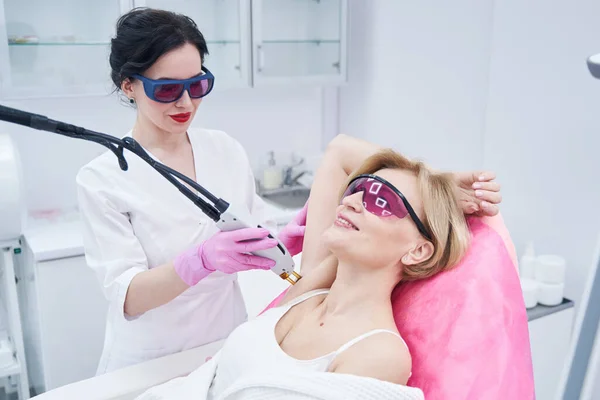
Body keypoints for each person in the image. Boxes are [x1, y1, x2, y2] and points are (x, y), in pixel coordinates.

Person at [135, 133, 502, 399]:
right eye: (357, 187)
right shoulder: (309, 291)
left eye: (382, 200)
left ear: (417, 251)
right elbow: (340, 150)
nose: (355, 200)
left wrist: (433, 188)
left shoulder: (376, 354)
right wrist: (441, 181)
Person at [75, 7, 307, 375]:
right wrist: (199, 261)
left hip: (225, 344)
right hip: (151, 360)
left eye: (197, 85)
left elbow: (251, 227)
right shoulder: (102, 178)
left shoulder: (224, 148)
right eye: (166, 89)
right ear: (128, 85)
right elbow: (130, 298)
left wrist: (281, 241)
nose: (186, 103)